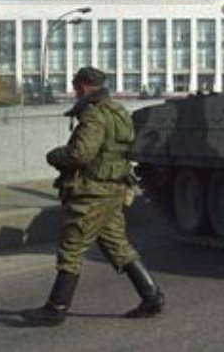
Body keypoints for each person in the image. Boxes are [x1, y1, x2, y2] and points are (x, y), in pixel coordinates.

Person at [21, 66, 164, 326]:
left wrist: (55, 155)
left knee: (72, 248)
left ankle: (56, 309)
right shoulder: (118, 111)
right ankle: (152, 297)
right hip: (114, 189)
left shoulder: (94, 114)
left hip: (92, 193)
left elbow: (81, 153)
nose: (75, 92)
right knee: (118, 246)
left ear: (83, 86)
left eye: (76, 87)